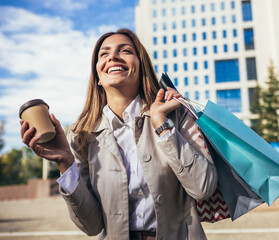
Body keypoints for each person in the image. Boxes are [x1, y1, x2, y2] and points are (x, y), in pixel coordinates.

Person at [20, 28, 218, 240]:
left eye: (125, 51)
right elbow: (91, 226)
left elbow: (203, 188)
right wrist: (65, 163)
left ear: (141, 66)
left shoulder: (175, 114)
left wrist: (161, 124)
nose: (113, 56)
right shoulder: (81, 134)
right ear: (97, 76)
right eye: (104, 54)